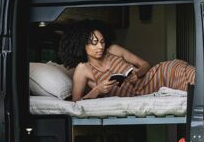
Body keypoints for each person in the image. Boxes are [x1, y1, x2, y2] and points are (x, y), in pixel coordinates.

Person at [58, 22, 195, 101]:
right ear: (82, 45)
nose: (100, 46)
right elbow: (75, 103)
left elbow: (145, 64)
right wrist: (97, 90)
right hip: (143, 93)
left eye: (102, 41)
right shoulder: (83, 69)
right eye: (94, 43)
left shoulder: (113, 49)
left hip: (155, 77)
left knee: (189, 74)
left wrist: (138, 73)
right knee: (195, 87)